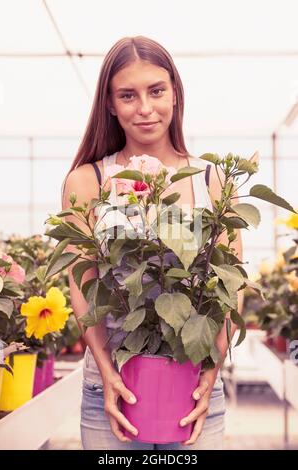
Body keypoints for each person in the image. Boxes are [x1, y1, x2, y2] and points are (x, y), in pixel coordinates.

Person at [61, 35, 243, 450]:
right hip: (113, 393)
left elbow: (230, 289)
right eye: (128, 95)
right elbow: (83, 286)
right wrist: (107, 372)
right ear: (110, 104)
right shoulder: (90, 180)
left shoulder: (212, 180)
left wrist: (211, 374)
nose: (145, 108)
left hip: (195, 394)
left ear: (175, 94)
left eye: (156, 91)